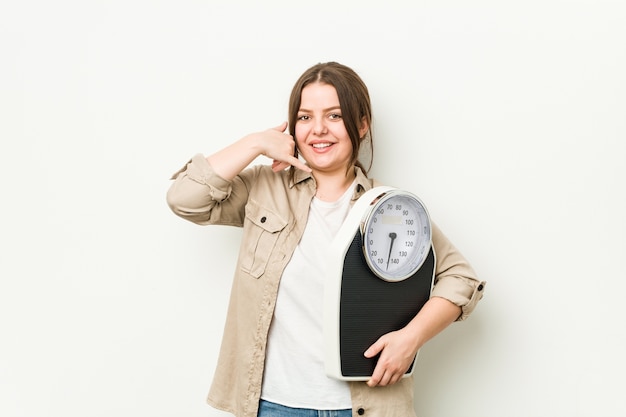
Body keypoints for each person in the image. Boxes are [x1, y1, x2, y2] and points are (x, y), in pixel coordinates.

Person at [166, 62, 485, 417]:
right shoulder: (263, 189)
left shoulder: (391, 207)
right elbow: (185, 198)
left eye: (334, 116)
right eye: (305, 117)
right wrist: (254, 143)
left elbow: (462, 279)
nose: (318, 129)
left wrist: (411, 339)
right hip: (274, 404)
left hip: (366, 406)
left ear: (361, 124)